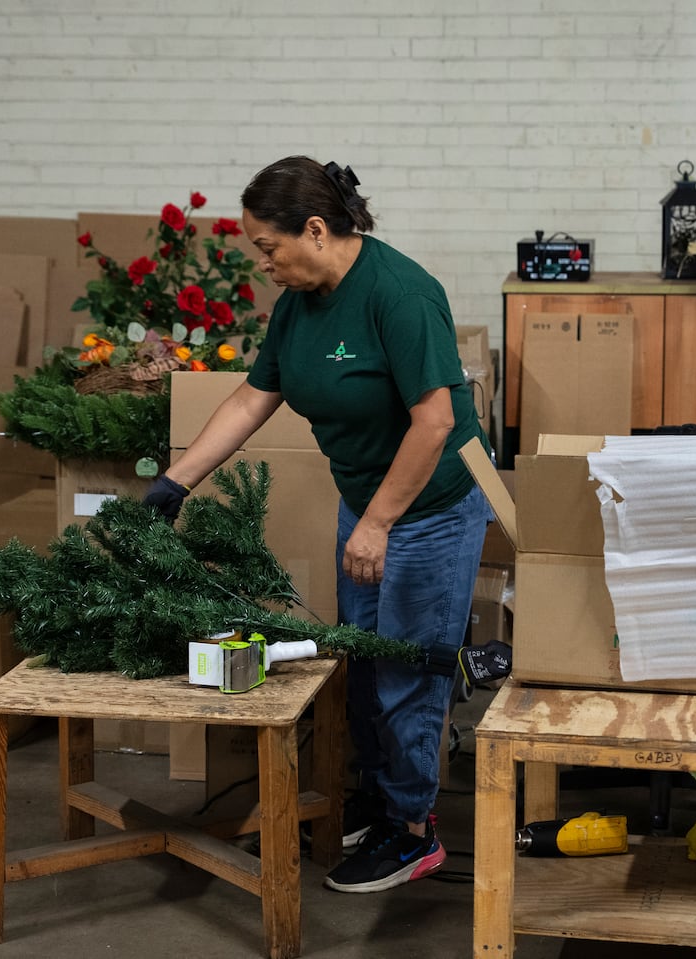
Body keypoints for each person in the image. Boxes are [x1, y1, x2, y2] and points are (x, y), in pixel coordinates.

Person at [141, 155, 491, 894]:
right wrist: (175, 480)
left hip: (426, 508)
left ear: (316, 228)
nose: (263, 264)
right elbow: (251, 397)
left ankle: (414, 831)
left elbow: (433, 424)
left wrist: (379, 522)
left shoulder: (399, 294)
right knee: (358, 662)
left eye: (268, 247)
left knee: (405, 667)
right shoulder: (300, 303)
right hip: (366, 504)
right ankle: (381, 797)